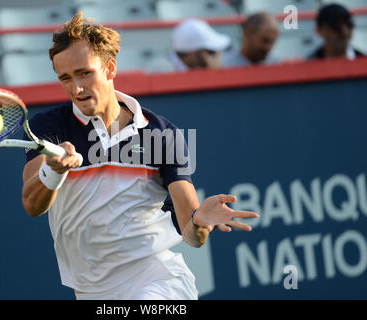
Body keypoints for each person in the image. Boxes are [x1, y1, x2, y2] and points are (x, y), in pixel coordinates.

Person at [21, 12, 259, 300]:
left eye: (85, 73)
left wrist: (198, 222)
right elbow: (32, 205)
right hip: (91, 292)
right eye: (66, 78)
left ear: (110, 69)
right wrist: (54, 171)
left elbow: (191, 235)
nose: (77, 88)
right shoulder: (47, 128)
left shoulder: (162, 133)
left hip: (158, 279)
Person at [147, 18, 231, 73]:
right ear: (192, 54)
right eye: (211, 52)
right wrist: (214, 74)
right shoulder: (162, 69)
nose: (216, 58)